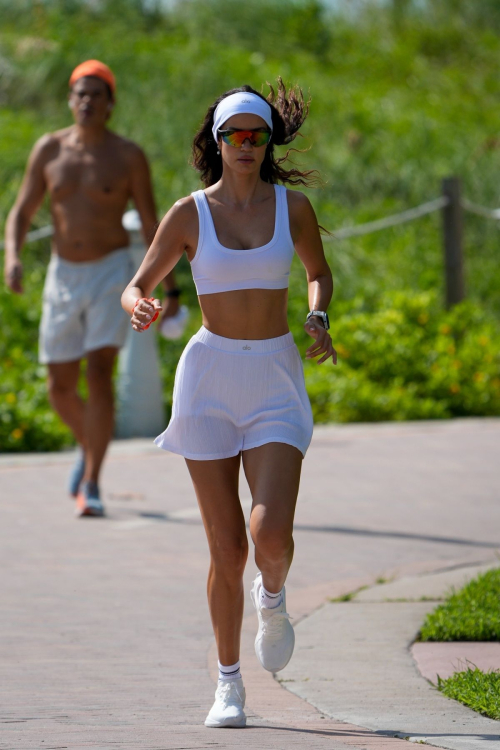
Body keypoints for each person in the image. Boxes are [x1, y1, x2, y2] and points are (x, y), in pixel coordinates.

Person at [121, 81, 336, 728]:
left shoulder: (291, 208)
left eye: (256, 135)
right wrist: (142, 308)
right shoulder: (189, 213)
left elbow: (317, 271)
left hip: (273, 377)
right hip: (209, 378)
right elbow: (137, 285)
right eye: (233, 135)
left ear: (268, 142)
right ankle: (228, 685)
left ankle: (273, 597)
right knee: (226, 548)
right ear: (216, 143)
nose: (245, 145)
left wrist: (318, 312)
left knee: (269, 534)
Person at [4, 60, 180, 517]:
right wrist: (13, 256)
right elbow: (22, 212)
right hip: (64, 273)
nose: (86, 102)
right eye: (79, 94)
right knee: (59, 387)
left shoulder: (127, 156)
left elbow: (151, 223)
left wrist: (172, 286)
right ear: (70, 100)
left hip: (110, 273)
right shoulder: (49, 149)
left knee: (99, 372)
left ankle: (93, 481)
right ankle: (90, 446)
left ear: (110, 104)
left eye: (95, 95)